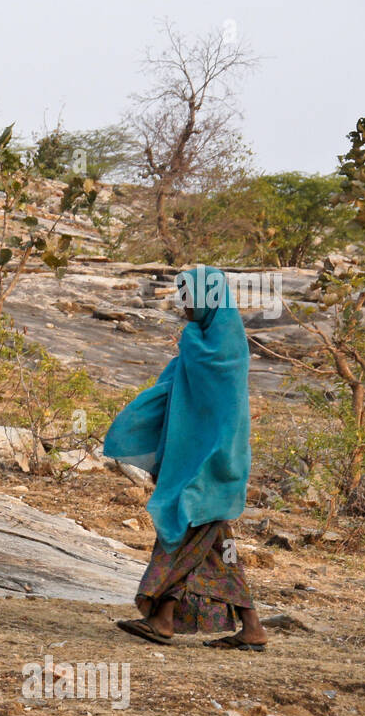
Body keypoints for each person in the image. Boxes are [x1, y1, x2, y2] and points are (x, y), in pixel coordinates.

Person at [103, 265, 267, 650]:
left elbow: (219, 414)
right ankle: (250, 626)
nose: (183, 304)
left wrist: (200, 464)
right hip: (199, 467)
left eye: (189, 296)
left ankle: (163, 620)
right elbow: (176, 397)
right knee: (214, 548)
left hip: (213, 466)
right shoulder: (199, 342)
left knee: (180, 535)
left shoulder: (221, 348)